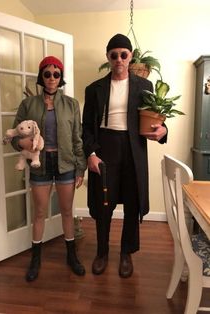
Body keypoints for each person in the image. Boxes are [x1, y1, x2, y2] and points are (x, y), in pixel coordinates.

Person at [82, 34, 167, 278]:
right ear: (108, 57)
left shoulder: (145, 87)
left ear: (130, 57)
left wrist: (163, 131)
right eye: (114, 54)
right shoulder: (94, 89)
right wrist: (90, 153)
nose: (119, 59)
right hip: (104, 146)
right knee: (103, 202)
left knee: (131, 201)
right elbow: (87, 125)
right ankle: (102, 252)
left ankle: (126, 253)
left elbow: (157, 118)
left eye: (124, 54)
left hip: (133, 149)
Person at [11, 56, 87, 281]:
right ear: (41, 76)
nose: (52, 78)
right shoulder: (28, 104)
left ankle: (71, 256)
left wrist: (80, 168)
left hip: (65, 164)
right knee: (41, 212)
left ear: (61, 78)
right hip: (40, 164)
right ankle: (36, 258)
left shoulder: (72, 104)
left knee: (66, 211)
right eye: (47, 74)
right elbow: (15, 133)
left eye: (56, 74)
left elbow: (77, 139)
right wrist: (20, 143)